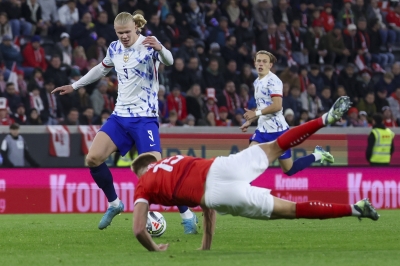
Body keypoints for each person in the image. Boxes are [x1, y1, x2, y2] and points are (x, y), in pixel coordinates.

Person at [132, 96, 380, 251]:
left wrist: (154, 249)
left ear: (140, 171)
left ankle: (356, 209)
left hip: (219, 193)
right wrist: (206, 243)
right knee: (277, 145)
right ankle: (324, 119)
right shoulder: (174, 159)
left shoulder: (143, 184)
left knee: (291, 210)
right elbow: (206, 211)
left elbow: (138, 230)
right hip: (221, 166)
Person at [51, 11, 197, 233]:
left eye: (127, 32)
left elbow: (169, 60)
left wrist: (161, 48)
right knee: (93, 158)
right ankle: (114, 203)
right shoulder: (114, 48)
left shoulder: (149, 44)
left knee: (155, 172)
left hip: (145, 118)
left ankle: (187, 215)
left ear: (135, 28)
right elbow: (101, 69)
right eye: (120, 33)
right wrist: (75, 85)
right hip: (120, 117)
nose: (124, 37)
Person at [240, 50, 334, 179]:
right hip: (262, 130)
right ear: (255, 63)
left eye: (264, 61)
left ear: (270, 65)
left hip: (278, 131)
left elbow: (277, 106)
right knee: (248, 159)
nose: (261, 64)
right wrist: (250, 119)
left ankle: (317, 155)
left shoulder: (274, 81)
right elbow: (263, 105)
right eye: (258, 61)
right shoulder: (257, 82)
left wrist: (255, 113)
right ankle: (243, 192)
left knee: (289, 170)